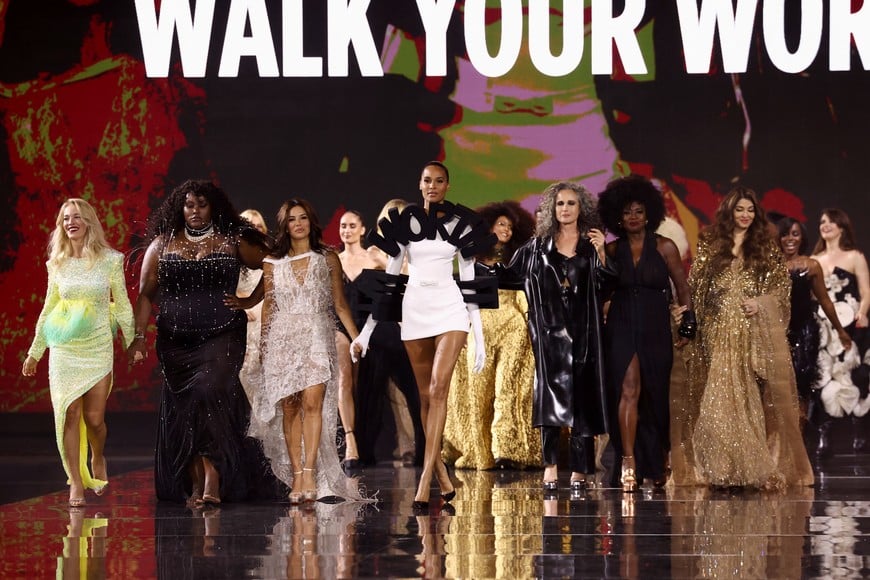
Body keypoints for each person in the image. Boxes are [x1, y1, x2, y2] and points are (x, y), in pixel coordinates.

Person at [352, 161, 493, 510]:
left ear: (448, 185)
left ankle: (425, 480)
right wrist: (367, 333)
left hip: (450, 309)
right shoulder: (405, 226)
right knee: (425, 397)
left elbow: (470, 279)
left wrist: (479, 334)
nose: (433, 186)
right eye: (427, 180)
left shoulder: (460, 225)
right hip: (415, 309)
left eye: (439, 181)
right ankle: (442, 476)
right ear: (420, 184)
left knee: (439, 389)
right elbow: (391, 280)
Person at [130, 179, 277, 505]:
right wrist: (138, 338)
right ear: (179, 208)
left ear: (214, 207)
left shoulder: (232, 239)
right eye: (189, 205)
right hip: (175, 340)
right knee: (186, 406)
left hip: (223, 333)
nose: (195, 211)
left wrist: (251, 300)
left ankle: (213, 476)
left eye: (201, 205)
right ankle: (195, 480)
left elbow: (273, 264)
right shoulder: (162, 244)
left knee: (209, 390)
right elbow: (144, 295)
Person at [684, 187, 813, 488]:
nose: (745, 215)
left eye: (750, 210)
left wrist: (761, 303)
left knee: (747, 395)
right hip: (718, 330)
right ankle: (721, 468)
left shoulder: (764, 246)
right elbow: (696, 284)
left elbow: (781, 288)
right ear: (728, 212)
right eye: (739, 209)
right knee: (718, 395)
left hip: (750, 330)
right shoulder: (711, 243)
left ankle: (749, 467)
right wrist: (696, 320)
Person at [248, 199, 367, 503]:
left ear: (310, 221)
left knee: (313, 403)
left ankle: (311, 472)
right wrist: (263, 349)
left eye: (302, 218)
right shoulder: (273, 263)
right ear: (284, 225)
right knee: (290, 406)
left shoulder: (327, 258)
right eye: (291, 219)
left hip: (315, 335)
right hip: (282, 339)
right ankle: (298, 475)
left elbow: (339, 304)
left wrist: (357, 337)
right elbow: (270, 307)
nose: (298, 223)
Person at [498, 182, 615, 491]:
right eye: (560, 203)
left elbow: (607, 285)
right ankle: (550, 465)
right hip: (549, 337)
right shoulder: (536, 247)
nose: (565, 208)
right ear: (552, 209)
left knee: (583, 403)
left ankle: (580, 469)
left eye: (571, 203)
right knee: (548, 402)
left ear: (581, 209)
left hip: (585, 335)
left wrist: (602, 252)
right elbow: (508, 278)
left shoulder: (591, 246)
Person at [22, 198, 135, 507]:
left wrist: (131, 341)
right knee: (68, 415)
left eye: (76, 217)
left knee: (94, 420)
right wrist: (35, 352)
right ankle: (75, 481)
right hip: (64, 351)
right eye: (65, 218)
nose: (70, 222)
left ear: (88, 222)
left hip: (97, 347)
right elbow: (49, 309)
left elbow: (122, 303)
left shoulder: (111, 260)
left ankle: (98, 456)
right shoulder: (55, 264)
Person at [597, 175, 695, 492]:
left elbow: (682, 288)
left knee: (654, 395)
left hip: (655, 325)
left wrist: (688, 320)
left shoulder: (665, 247)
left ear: (649, 213)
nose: (633, 217)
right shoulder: (611, 251)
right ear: (618, 217)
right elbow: (600, 291)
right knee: (628, 390)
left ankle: (655, 461)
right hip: (622, 323)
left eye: (639, 211)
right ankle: (628, 461)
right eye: (627, 212)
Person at [442, 200, 541, 470]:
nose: (506, 229)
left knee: (511, 388)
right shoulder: (469, 261)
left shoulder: (519, 261)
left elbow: (527, 298)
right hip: (478, 328)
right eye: (500, 224)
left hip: (513, 327)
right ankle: (478, 449)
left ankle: (509, 450)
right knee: (478, 391)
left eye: (510, 225)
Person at [355, 200, 425, 468]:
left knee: (417, 395)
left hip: (411, 330)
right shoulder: (374, 254)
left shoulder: (416, 253)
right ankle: (365, 452)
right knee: (371, 393)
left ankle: (424, 452)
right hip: (382, 331)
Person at [776, 217, 852, 421]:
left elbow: (826, 302)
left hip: (804, 332)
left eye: (795, 234)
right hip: (776, 333)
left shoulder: (811, 265)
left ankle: (800, 439)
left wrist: (841, 331)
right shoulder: (770, 267)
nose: (790, 239)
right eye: (785, 234)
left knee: (802, 384)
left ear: (802, 238)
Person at [810, 209, 870, 451]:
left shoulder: (854, 256)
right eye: (822, 221)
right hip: (823, 325)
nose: (826, 225)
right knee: (823, 375)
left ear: (842, 226)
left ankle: (859, 426)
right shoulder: (814, 258)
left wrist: (862, 313)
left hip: (850, 322)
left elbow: (866, 291)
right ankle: (824, 432)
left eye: (831, 221)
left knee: (854, 372)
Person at [335, 210, 373, 469]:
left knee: (366, 385)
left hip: (370, 328)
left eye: (351, 226)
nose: (346, 230)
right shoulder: (333, 261)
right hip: (340, 327)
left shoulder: (374, 259)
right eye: (342, 226)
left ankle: (366, 440)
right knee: (344, 378)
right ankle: (350, 444)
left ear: (362, 229)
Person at [237, 209, 269, 403]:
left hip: (267, 321)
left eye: (258, 226)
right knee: (247, 373)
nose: (254, 230)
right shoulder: (234, 258)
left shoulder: (271, 256)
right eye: (250, 226)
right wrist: (243, 306)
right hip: (247, 324)